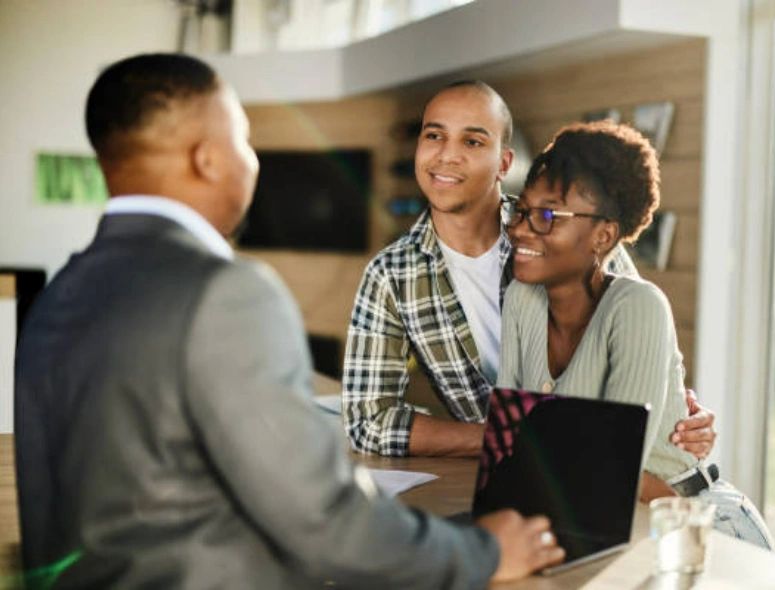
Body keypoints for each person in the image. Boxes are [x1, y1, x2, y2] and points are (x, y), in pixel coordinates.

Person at [13, 53, 565, 589]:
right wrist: (483, 552)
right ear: (207, 159)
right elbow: (326, 520)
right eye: (244, 141)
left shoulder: (59, 296)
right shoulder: (227, 294)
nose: (254, 162)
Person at [343, 80, 717, 458]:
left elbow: (640, 347)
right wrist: (505, 438)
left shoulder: (571, 236)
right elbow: (368, 420)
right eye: (435, 135)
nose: (446, 156)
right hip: (521, 477)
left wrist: (680, 412)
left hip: (616, 474)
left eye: (472, 142)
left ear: (504, 163)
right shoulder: (390, 275)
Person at [496, 120, 775, 549]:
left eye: (547, 215)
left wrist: (547, 453)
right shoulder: (521, 299)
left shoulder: (638, 307)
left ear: (603, 236)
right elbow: (507, 447)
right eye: (522, 210)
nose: (519, 228)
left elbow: (611, 472)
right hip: (594, 518)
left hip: (697, 525)